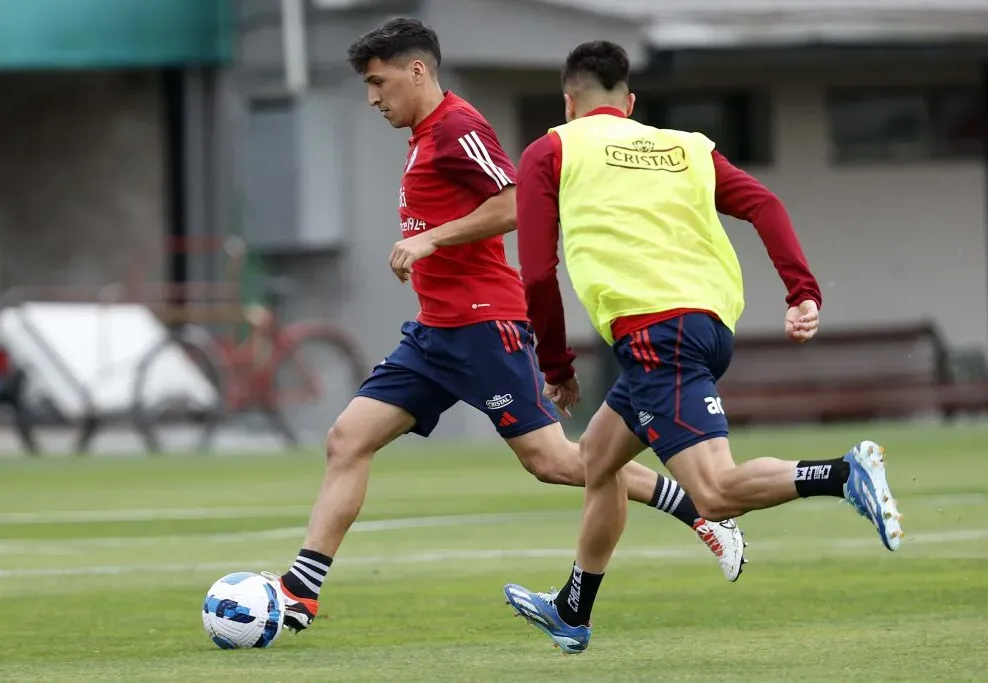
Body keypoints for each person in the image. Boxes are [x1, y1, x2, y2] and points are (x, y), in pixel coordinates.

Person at [262, 20, 748, 634]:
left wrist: (431, 239)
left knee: (558, 463)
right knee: (346, 439)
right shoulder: (421, 136)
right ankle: (302, 592)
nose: (372, 98)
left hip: (484, 327)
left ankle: (702, 510)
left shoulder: (459, 127)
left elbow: (516, 203)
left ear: (418, 71)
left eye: (378, 82)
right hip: (434, 334)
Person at [503, 40, 904, 655]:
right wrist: (802, 291)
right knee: (597, 461)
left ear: (568, 102)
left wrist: (556, 366)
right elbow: (763, 205)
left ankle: (846, 473)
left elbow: (535, 274)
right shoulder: (685, 146)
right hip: (706, 327)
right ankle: (572, 609)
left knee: (714, 493)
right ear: (631, 104)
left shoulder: (552, 149)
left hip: (656, 335)